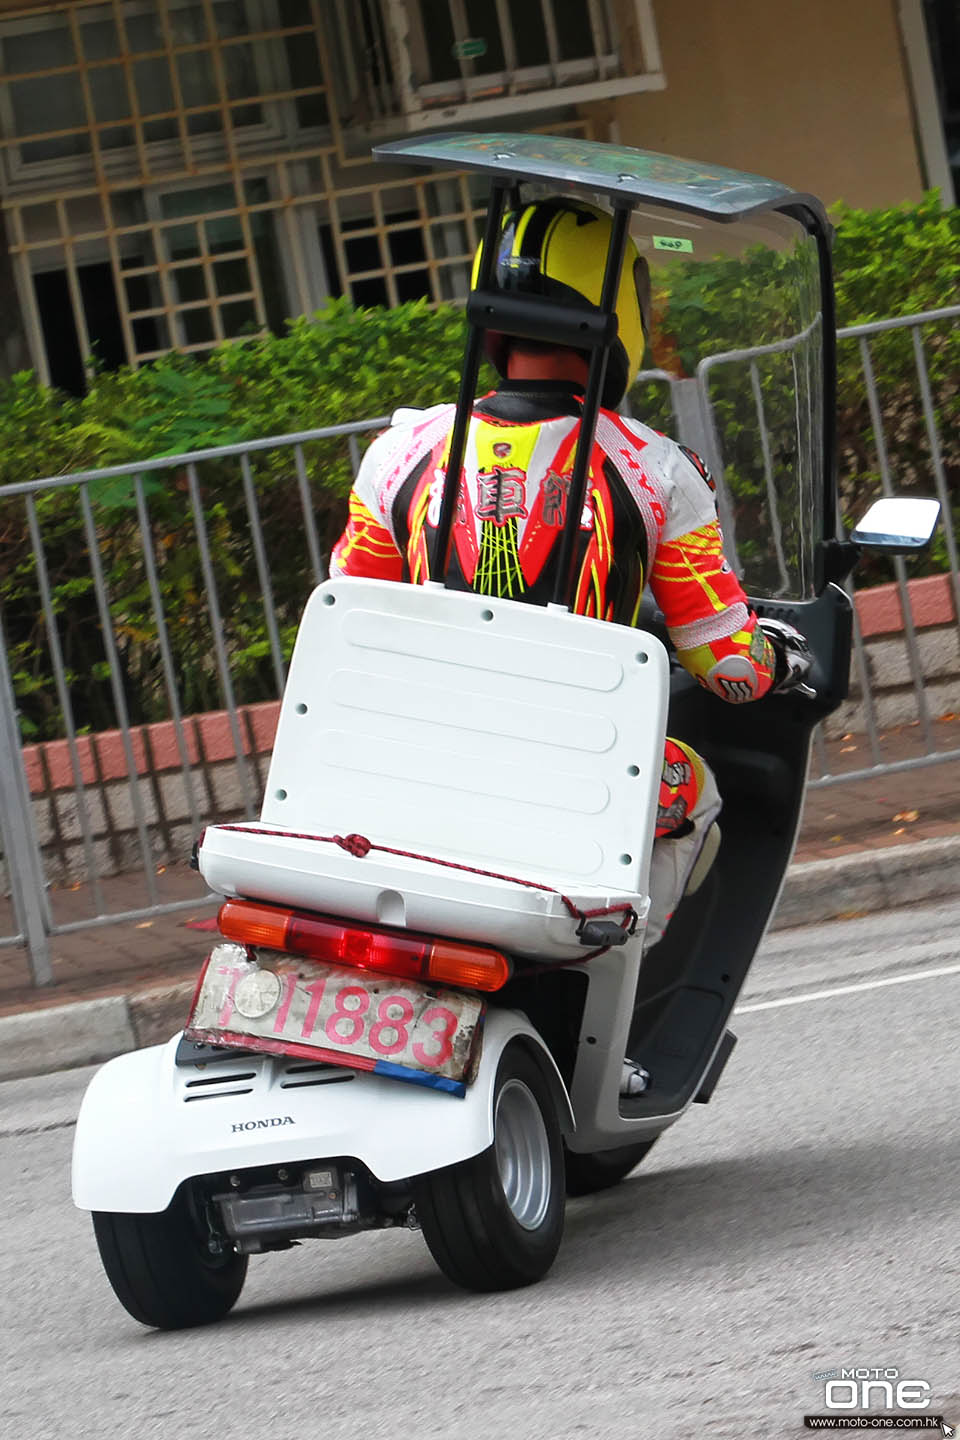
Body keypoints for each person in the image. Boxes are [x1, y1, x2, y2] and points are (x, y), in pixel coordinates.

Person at [329, 197, 809, 1058]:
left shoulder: (400, 452)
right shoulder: (652, 466)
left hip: (412, 766)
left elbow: (349, 609)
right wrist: (774, 658)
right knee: (691, 794)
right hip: (574, 774)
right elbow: (725, 665)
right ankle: (601, 993)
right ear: (615, 313)